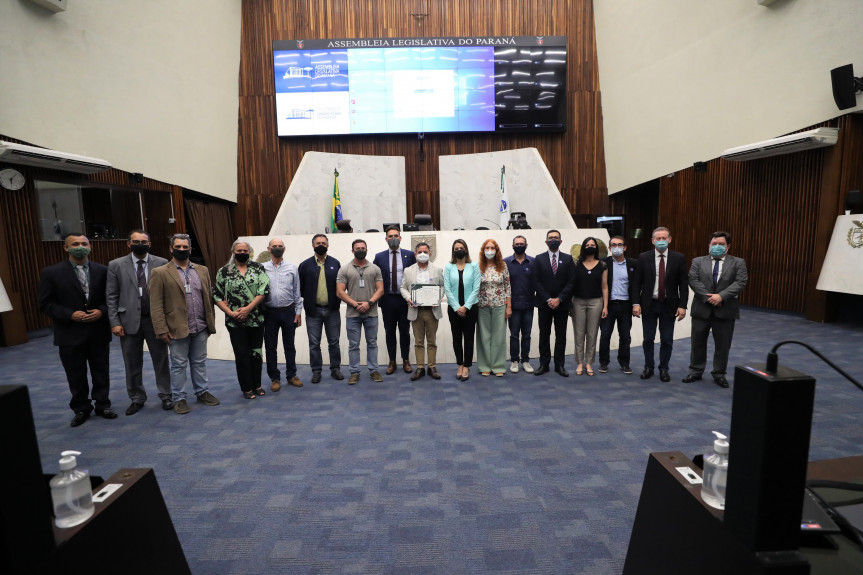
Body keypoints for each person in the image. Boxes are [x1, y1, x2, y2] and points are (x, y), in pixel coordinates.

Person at [38, 233, 115, 427]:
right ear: (66, 248)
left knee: (101, 370)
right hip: (69, 332)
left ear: (90, 246)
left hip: (98, 330)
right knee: (75, 373)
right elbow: (46, 304)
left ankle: (102, 404)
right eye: (75, 244)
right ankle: (81, 408)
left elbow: (111, 298)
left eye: (84, 243)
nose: (80, 246)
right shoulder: (51, 273)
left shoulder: (103, 270)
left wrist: (101, 311)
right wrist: (70, 314)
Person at [149, 234, 220, 414]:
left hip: (200, 326)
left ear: (190, 249)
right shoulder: (160, 272)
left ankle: (202, 391)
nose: (182, 250)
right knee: (178, 364)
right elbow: (155, 304)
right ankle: (179, 398)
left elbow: (208, 297)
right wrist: (161, 329)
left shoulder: (202, 270)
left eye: (185, 247)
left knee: (199, 362)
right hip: (176, 328)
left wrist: (210, 322)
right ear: (171, 249)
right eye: (178, 247)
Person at [106, 229, 172, 415]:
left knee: (161, 360)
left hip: (155, 321)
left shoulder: (162, 263)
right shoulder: (116, 265)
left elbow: (167, 294)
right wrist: (114, 322)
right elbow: (111, 296)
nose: (139, 244)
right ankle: (136, 398)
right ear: (129, 244)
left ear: (149, 244)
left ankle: (166, 395)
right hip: (127, 322)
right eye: (135, 241)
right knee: (132, 362)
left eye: (143, 241)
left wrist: (167, 322)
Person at [683, 231, 749, 388]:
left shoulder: (738, 262)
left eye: (721, 244)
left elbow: (740, 282)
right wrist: (709, 297)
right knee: (697, 342)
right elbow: (693, 280)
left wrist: (721, 296)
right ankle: (695, 371)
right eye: (714, 244)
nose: (717, 247)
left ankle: (719, 373)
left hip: (725, 309)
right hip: (702, 308)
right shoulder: (698, 261)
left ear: (728, 246)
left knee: (723, 345)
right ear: (709, 245)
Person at [631, 227, 689, 382]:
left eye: (664, 238)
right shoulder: (643, 257)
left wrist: (682, 306)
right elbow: (637, 282)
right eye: (658, 238)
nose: (661, 241)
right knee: (648, 338)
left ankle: (664, 368)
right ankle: (648, 367)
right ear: (652, 241)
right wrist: (635, 303)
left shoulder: (679, 258)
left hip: (669, 306)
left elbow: (684, 284)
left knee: (667, 339)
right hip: (649, 304)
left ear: (670, 239)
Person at [215, 240, 270, 399]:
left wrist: (248, 309)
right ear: (233, 252)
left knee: (256, 353)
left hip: (256, 319)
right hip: (234, 321)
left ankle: (257, 385)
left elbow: (264, 290)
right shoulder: (224, 271)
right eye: (239, 250)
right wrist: (231, 313)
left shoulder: (258, 268)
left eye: (245, 250)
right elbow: (217, 296)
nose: (242, 253)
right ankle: (246, 387)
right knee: (242, 354)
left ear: (249, 252)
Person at [337, 239, 385, 385]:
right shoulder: (344, 269)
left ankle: (374, 370)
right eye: (357, 248)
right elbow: (340, 292)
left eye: (363, 248)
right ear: (352, 251)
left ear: (367, 250)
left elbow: (380, 289)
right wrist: (355, 304)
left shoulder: (375, 268)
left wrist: (369, 303)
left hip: (371, 313)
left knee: (372, 343)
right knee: (353, 345)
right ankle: (354, 372)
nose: (360, 250)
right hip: (353, 314)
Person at [298, 234, 343, 383]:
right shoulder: (305, 265)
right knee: (314, 343)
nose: (321, 245)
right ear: (313, 245)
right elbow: (301, 288)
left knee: (334, 342)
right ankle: (316, 371)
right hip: (313, 311)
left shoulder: (335, 263)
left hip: (332, 310)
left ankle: (335, 368)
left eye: (323, 243)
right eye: (318, 243)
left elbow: (341, 286)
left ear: (328, 245)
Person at [373, 226, 416, 375]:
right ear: (386, 239)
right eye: (390, 236)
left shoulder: (410, 255)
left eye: (396, 235)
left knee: (405, 331)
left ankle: (406, 360)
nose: (393, 238)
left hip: (405, 301)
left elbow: (414, 275)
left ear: (400, 237)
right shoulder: (379, 257)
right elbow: (374, 278)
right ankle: (392, 361)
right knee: (389, 331)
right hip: (387, 300)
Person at [262, 237, 303, 392]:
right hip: (269, 313)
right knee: (270, 347)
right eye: (274, 246)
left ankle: (291, 375)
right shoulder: (262, 268)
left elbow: (296, 292)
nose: (277, 248)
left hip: (288, 311)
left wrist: (298, 312)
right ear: (269, 249)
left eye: (280, 246)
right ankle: (275, 378)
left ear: (284, 249)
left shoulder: (292, 268)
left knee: (289, 346)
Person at [533, 230, 576, 377]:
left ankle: (560, 365)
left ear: (561, 241)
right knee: (544, 335)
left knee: (561, 336)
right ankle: (543, 365)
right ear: (546, 241)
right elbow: (536, 282)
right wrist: (548, 299)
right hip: (544, 304)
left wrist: (559, 298)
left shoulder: (568, 259)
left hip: (562, 304)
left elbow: (571, 282)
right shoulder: (538, 259)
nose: (553, 240)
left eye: (556, 238)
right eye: (550, 238)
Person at [400, 242, 444, 381]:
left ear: (430, 254)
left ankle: (432, 367)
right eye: (419, 252)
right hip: (416, 310)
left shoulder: (437, 269)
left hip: (432, 311)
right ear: (415, 254)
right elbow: (403, 288)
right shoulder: (408, 270)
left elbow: (443, 287)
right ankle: (420, 368)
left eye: (425, 251)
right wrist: (409, 298)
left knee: (432, 341)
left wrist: (438, 296)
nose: (422, 254)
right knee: (418, 342)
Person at [598, 236, 638, 375]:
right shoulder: (603, 263)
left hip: (626, 305)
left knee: (625, 336)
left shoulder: (633, 264)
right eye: (613, 245)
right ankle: (603, 363)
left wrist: (636, 304)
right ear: (609, 248)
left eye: (619, 245)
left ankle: (624, 363)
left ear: (625, 247)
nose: (616, 247)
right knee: (605, 336)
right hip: (608, 305)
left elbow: (637, 286)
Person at [443, 239, 481, 381]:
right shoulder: (448, 267)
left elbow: (476, 288)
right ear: (453, 251)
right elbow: (447, 288)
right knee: (456, 338)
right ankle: (459, 364)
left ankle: (466, 366)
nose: (459, 250)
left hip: (471, 308)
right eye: (456, 248)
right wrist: (457, 307)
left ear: (466, 249)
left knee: (469, 338)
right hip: (453, 308)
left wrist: (466, 307)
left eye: (461, 247)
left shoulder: (474, 266)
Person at [570, 237, 608, 376]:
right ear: (583, 247)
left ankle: (589, 363)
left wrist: (605, 306)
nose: (590, 246)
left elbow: (605, 287)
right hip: (578, 302)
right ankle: (579, 363)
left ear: (596, 248)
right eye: (587, 244)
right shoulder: (576, 264)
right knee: (579, 334)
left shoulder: (603, 265)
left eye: (592, 245)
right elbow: (571, 285)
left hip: (596, 303)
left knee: (592, 334)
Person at [476, 239, 512, 377]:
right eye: (487, 248)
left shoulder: (502, 266)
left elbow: (507, 287)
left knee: (498, 337)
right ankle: (485, 366)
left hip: (500, 305)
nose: (489, 250)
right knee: (484, 336)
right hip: (482, 306)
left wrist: (509, 307)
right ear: (483, 250)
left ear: (496, 251)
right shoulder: (478, 266)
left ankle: (498, 367)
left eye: (492, 248)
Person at [504, 235, 536, 373]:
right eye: (517, 244)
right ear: (512, 246)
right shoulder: (505, 262)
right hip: (513, 306)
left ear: (526, 245)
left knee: (527, 335)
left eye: (521, 243)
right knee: (514, 335)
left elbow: (537, 282)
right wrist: (507, 305)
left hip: (528, 305)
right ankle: (514, 361)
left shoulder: (533, 262)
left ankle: (526, 361)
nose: (519, 245)